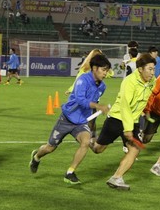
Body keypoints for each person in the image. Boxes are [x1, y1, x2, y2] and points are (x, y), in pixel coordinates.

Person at [29, 54, 112, 184]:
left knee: (85, 142)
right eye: (104, 70)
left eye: (107, 70)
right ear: (95, 68)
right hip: (67, 118)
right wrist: (98, 106)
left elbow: (93, 105)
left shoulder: (102, 87)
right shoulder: (82, 80)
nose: (106, 73)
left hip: (81, 122)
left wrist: (93, 125)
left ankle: (70, 172)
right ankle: (36, 156)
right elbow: (80, 100)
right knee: (50, 148)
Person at [91, 53, 156, 190]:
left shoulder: (152, 81)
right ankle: (90, 141)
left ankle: (116, 178)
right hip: (117, 119)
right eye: (149, 69)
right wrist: (127, 129)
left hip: (133, 120)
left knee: (134, 149)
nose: (152, 72)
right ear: (140, 69)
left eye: (153, 69)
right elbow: (125, 106)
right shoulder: (129, 81)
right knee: (98, 149)